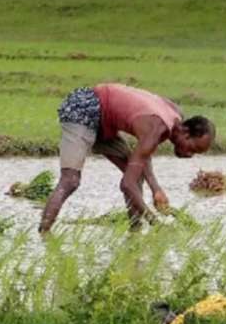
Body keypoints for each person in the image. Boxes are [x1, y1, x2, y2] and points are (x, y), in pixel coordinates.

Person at [39, 83, 215, 233]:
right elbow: (126, 184)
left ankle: (134, 233)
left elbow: (144, 154)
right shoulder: (156, 128)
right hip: (83, 108)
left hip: (104, 121)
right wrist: (155, 223)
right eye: (193, 148)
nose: (189, 155)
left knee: (136, 175)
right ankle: (44, 234)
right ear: (185, 132)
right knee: (70, 180)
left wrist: (156, 189)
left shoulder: (174, 115)